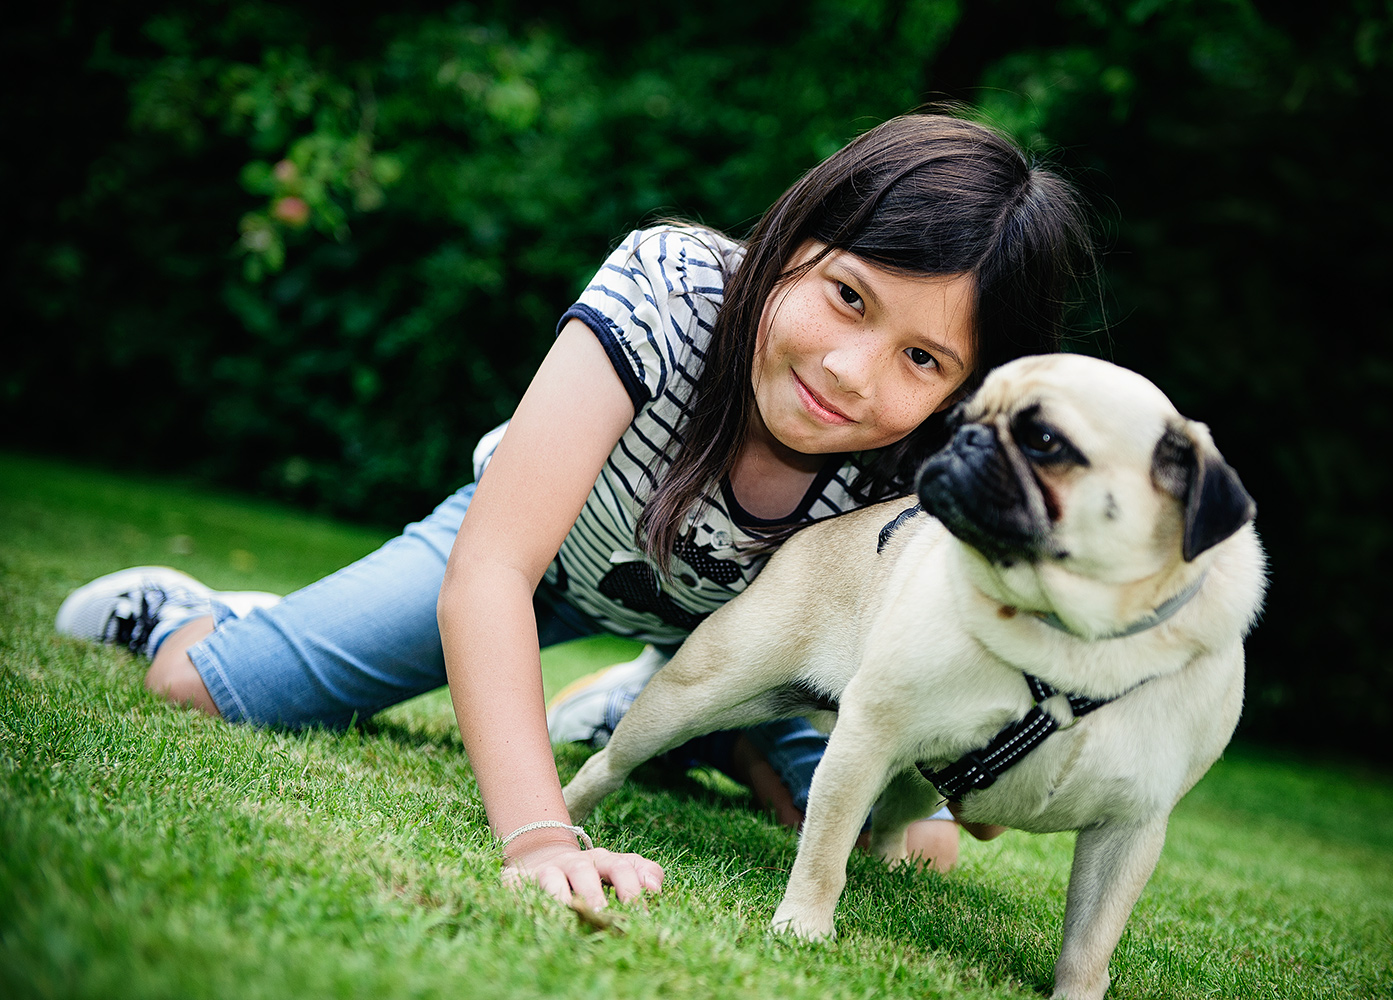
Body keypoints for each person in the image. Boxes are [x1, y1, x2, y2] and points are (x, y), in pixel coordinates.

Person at [55, 111, 1093, 910]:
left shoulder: (924, 470)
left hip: (742, 645)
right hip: (540, 561)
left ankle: (684, 722)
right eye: (848, 296)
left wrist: (986, 757)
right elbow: (491, 571)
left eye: (922, 359)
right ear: (793, 239)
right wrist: (542, 837)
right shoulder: (669, 289)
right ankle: (204, 613)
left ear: (964, 391)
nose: (849, 371)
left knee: (916, 844)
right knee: (194, 687)